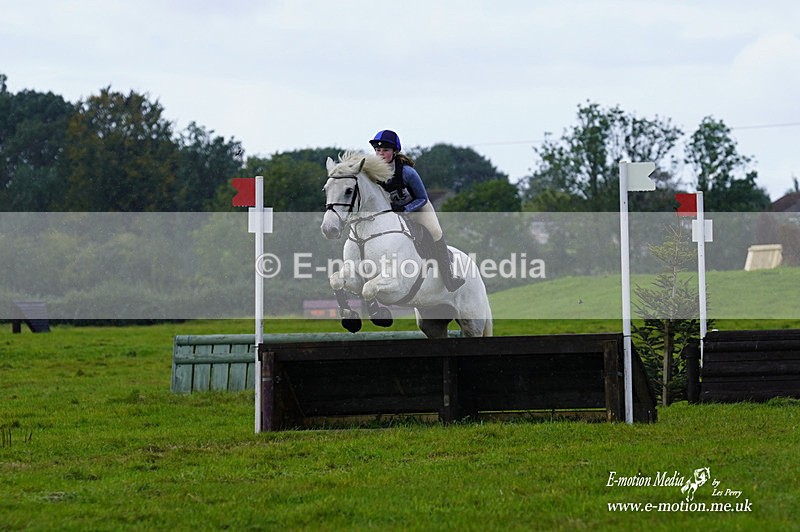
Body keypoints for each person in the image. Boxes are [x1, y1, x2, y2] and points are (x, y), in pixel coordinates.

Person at [369, 129, 465, 291]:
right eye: (378, 150)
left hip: (418, 209)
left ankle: (449, 276)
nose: (381, 154)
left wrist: (406, 209)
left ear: (394, 151)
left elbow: (423, 198)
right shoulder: (373, 174)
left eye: (385, 150)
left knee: (435, 232)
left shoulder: (407, 172)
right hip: (392, 214)